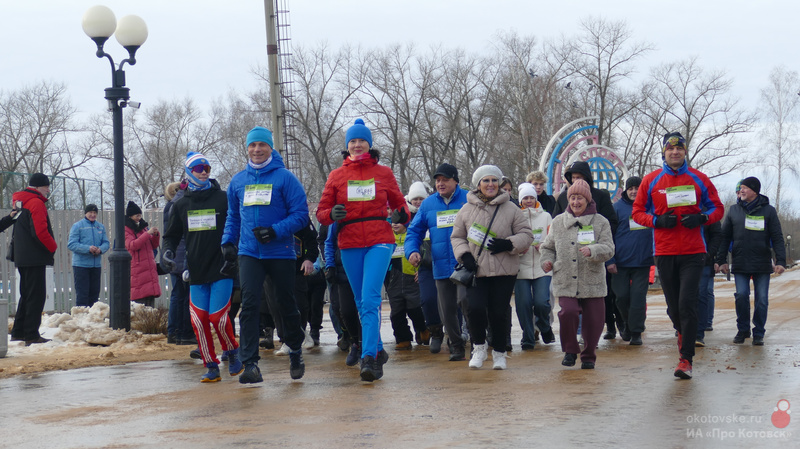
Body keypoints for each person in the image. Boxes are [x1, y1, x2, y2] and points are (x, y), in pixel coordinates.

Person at [317, 119, 408, 382]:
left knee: (369, 299)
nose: (357, 145)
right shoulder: (336, 176)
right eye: (353, 142)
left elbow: (401, 206)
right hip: (349, 241)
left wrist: (402, 215)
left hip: (380, 239)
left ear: (369, 144)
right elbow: (322, 214)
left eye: (362, 141)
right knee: (359, 302)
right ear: (347, 146)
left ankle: (369, 359)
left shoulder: (384, 173)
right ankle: (378, 349)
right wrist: (331, 213)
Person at [632, 131, 724, 379]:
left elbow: (718, 208)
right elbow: (637, 212)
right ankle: (682, 334)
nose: (675, 153)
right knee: (674, 308)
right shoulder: (651, 180)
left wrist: (702, 218)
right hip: (664, 251)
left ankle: (686, 359)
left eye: (679, 149)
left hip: (694, 252)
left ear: (685, 152)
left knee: (687, 304)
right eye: (670, 149)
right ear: (664, 152)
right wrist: (657, 220)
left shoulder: (699, 178)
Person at [222, 126, 310, 383]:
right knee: (249, 304)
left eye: (262, 145)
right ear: (247, 148)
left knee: (284, 303)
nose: (257, 150)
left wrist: (275, 231)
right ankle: (251, 364)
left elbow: (301, 215)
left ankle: (294, 349)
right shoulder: (238, 181)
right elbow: (233, 216)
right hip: (249, 251)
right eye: (252, 145)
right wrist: (228, 241)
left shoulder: (285, 178)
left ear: (271, 148)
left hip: (280, 251)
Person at [162, 152, 244, 382]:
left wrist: (234, 251)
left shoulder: (223, 198)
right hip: (196, 271)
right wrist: (166, 252)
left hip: (222, 267)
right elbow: (171, 235)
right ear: (189, 172)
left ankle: (233, 353)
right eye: (199, 167)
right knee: (198, 319)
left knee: (217, 317)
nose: (204, 171)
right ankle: (211, 365)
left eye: (207, 167)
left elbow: (237, 224)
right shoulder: (181, 203)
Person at [451, 165, 533, 370]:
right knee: (475, 308)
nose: (490, 184)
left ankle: (499, 352)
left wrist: (509, 243)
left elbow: (527, 235)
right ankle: (479, 347)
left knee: (498, 312)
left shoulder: (512, 208)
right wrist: (464, 255)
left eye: (494, 180)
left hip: (504, 270)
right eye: (486, 181)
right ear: (478, 184)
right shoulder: (466, 209)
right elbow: (457, 237)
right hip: (476, 270)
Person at [540, 179, 614, 370]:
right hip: (565, 278)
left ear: (588, 200)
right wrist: (546, 261)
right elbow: (547, 247)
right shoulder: (557, 222)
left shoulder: (601, 222)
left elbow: (609, 248)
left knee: (594, 320)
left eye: (579, 198)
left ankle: (589, 356)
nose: (575, 202)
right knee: (568, 312)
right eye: (572, 198)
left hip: (593, 280)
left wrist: (594, 251)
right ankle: (570, 351)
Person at [404, 163, 470, 360]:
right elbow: (414, 231)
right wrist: (412, 251)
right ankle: (456, 346)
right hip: (440, 264)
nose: (440, 184)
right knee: (447, 308)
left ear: (455, 181)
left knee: (466, 302)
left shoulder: (468, 199)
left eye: (445, 180)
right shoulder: (428, 204)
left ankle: (477, 341)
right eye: (438, 180)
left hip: (465, 263)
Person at [552, 161, 622, 340]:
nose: (576, 181)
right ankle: (577, 334)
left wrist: (595, 241)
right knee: (570, 306)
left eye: (579, 177)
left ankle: (608, 327)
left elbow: (611, 223)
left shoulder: (601, 196)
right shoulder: (562, 197)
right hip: (568, 258)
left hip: (596, 255)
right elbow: (555, 225)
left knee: (598, 299)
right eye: (573, 178)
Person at [715, 176, 786, 346]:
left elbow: (777, 237)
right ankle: (743, 329)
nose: (741, 191)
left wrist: (781, 260)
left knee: (761, 299)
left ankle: (759, 332)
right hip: (740, 261)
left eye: (745, 188)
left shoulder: (769, 211)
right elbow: (724, 237)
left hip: (761, 262)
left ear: (755, 190)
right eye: (740, 188)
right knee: (741, 295)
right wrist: (721, 260)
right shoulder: (733, 210)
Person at [9, 173, 57, 346]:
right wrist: (53, 247)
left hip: (22, 256)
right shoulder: (36, 203)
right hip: (34, 256)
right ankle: (31, 334)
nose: (48, 190)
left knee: (27, 294)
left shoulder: (20, 202)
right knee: (36, 296)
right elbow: (40, 232)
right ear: (37, 187)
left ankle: (19, 332)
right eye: (46, 187)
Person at [607, 176, 652, 346]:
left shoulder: (649, 207)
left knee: (638, 298)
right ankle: (626, 323)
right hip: (620, 262)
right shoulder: (617, 208)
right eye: (630, 188)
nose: (634, 191)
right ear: (625, 190)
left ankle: (636, 332)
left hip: (643, 261)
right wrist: (610, 260)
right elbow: (608, 236)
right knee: (621, 297)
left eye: (637, 188)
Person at [386, 184, 427, 350]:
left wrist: (420, 271)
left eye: (399, 222)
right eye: (393, 222)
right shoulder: (388, 238)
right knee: (396, 312)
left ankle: (422, 329)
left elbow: (422, 251)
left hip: (412, 278)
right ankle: (403, 338)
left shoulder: (412, 236)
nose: (395, 225)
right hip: (394, 279)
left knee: (415, 309)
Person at [514, 182, 554, 350]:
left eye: (531, 197)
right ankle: (528, 337)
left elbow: (552, 238)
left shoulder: (545, 216)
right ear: (520, 200)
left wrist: (543, 245)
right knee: (523, 304)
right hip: (520, 266)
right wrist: (518, 248)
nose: (529, 201)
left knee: (542, 302)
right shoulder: (515, 216)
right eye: (525, 198)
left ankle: (544, 325)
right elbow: (511, 238)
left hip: (541, 265)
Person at [162, 181, 196, 346]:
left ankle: (174, 332)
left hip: (175, 256)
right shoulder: (182, 203)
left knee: (177, 294)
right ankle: (182, 332)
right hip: (183, 255)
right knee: (183, 295)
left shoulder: (171, 204)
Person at [67, 204, 110, 307]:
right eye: (90, 212)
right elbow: (71, 244)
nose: (92, 215)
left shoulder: (100, 226)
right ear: (85, 213)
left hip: (96, 266)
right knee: (82, 295)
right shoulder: (77, 226)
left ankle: (92, 319)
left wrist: (100, 249)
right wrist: (88, 249)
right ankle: (81, 318)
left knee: (94, 295)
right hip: (81, 266)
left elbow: (106, 243)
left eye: (95, 213)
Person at [124, 201, 161, 308]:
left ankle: (149, 323)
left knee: (150, 299)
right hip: (137, 267)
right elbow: (132, 245)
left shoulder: (144, 227)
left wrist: (155, 235)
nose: (139, 218)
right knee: (139, 300)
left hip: (148, 267)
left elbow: (153, 245)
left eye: (140, 215)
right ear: (130, 216)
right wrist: (147, 234)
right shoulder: (126, 230)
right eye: (136, 215)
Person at [695, 216, 722, 347]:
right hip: (680, 258)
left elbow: (717, 236)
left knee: (702, 294)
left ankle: (699, 332)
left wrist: (710, 256)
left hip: (704, 260)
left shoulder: (709, 211)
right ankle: (681, 327)